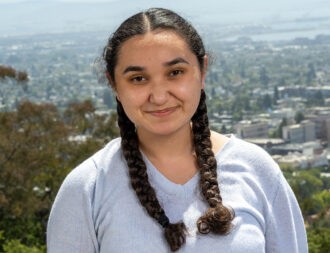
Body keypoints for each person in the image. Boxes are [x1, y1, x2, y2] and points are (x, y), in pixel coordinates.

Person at [47, 8, 308, 253]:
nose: (159, 96)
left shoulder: (257, 171)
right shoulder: (87, 188)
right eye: (138, 78)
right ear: (113, 84)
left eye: (175, 72)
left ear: (202, 71)